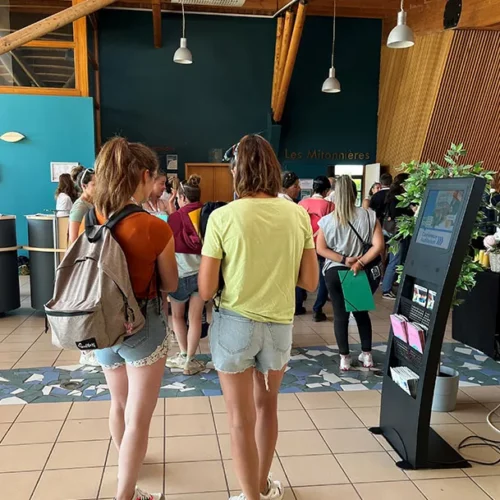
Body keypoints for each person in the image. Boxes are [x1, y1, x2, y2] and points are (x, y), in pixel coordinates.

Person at [199, 134, 318, 500]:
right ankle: (264, 486)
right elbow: (310, 281)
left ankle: (250, 496)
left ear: (236, 171)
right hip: (279, 326)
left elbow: (205, 289)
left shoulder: (222, 217)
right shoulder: (297, 214)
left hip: (235, 325)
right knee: (268, 408)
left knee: (240, 418)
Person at [92, 137, 178, 500]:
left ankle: (126, 465)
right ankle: (126, 494)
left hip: (101, 325)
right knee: (139, 420)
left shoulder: (95, 217)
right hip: (142, 325)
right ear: (144, 176)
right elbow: (171, 283)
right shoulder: (154, 227)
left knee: (119, 404)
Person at [316, 175, 384, 371]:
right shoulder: (369, 216)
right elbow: (378, 245)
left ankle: (344, 358)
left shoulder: (327, 221)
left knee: (340, 315)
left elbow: (320, 249)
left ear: (334, 195)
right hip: (356, 272)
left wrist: (344, 259)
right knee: (360, 313)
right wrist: (359, 262)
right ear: (355, 194)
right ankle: (367, 356)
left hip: (334, 271)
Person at [165, 174, 206, 375]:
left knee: (177, 316)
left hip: (180, 275)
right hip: (201, 275)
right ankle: (190, 360)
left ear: (181, 197)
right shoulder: (207, 214)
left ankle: (182, 354)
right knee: (195, 318)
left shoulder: (174, 218)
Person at [298, 176, 335, 322]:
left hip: (304, 244)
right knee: (323, 278)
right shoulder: (330, 206)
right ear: (326, 190)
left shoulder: (302, 203)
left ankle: (298, 305)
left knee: (300, 273)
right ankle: (317, 309)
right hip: (322, 246)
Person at [381, 173, 414, 300]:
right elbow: (396, 215)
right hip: (397, 234)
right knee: (395, 261)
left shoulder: (391, 195)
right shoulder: (398, 198)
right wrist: (411, 210)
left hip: (391, 232)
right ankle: (386, 289)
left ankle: (388, 283)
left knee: (393, 259)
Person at [69, 168, 96, 244]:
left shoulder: (94, 203)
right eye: (94, 184)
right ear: (84, 186)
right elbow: (74, 238)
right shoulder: (80, 207)